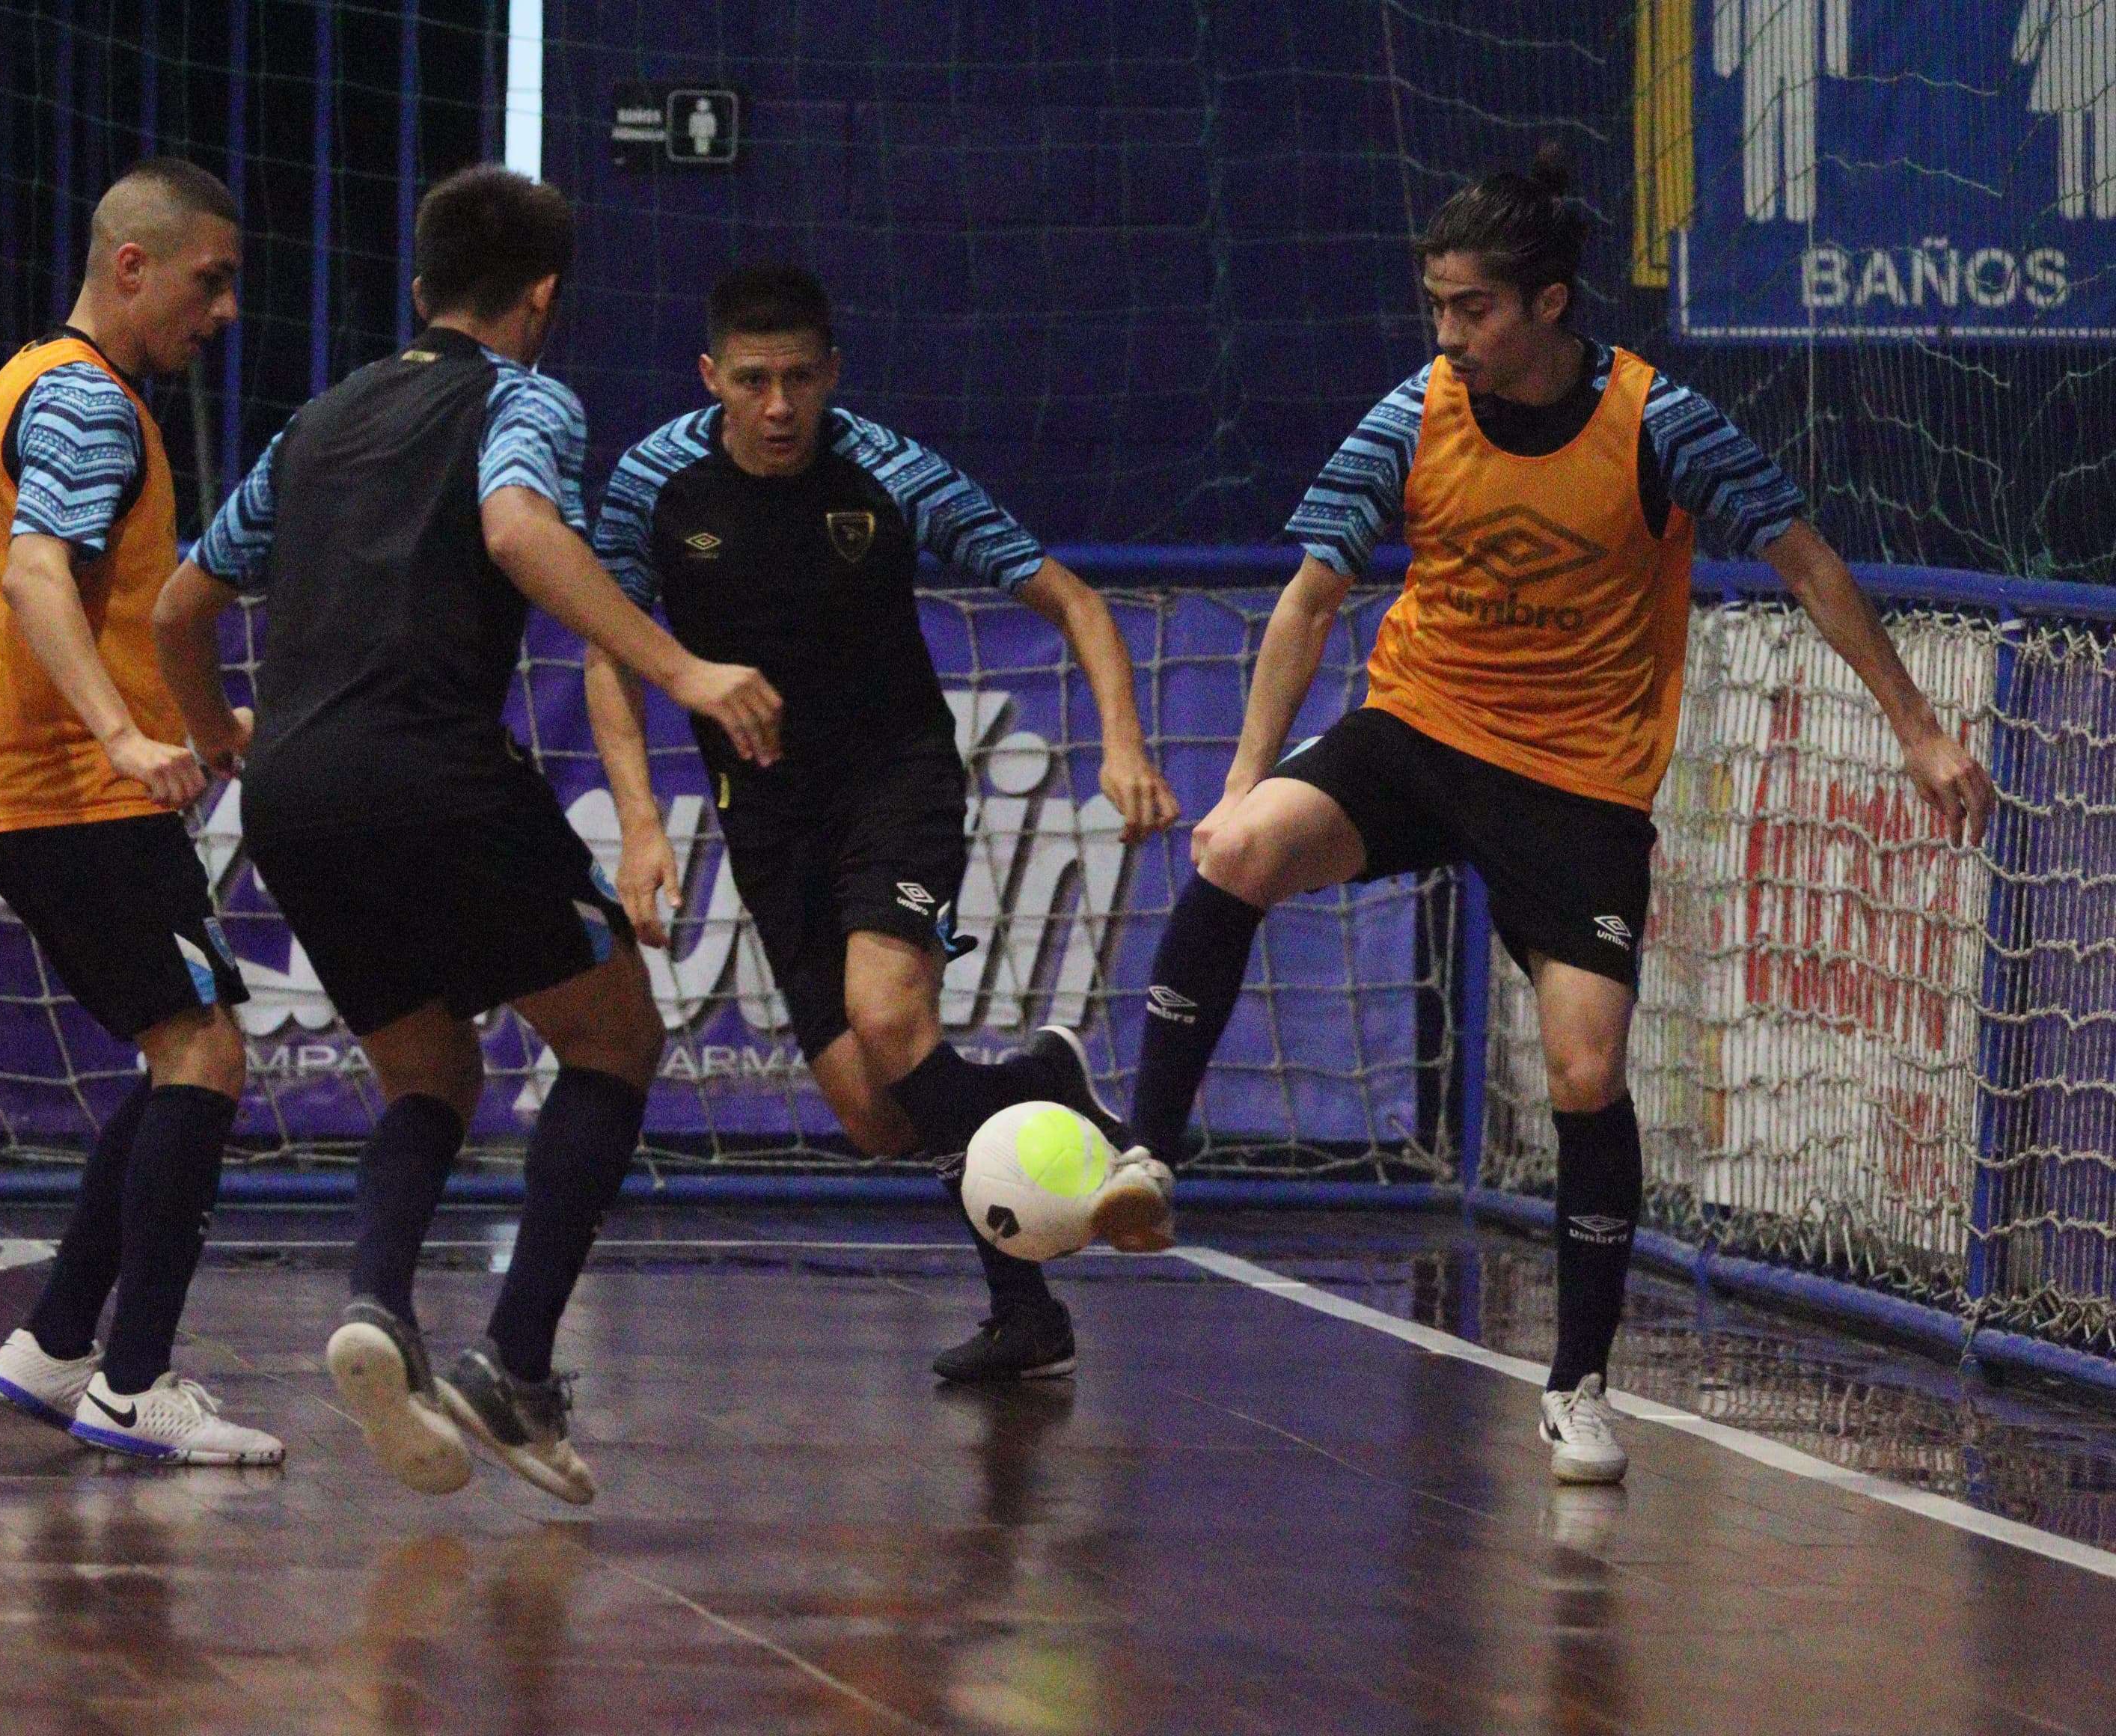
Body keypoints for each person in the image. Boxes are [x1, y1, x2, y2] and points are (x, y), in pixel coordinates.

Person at [1123, 145, 1994, 1484]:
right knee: (1238, 851)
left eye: (1471, 308)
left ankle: (1582, 1385)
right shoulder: (1415, 412)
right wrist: (1244, 776)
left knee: (1588, 1072)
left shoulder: (1660, 424)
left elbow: (1809, 565)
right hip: (1419, 729)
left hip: (1577, 781)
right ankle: (1147, 1156)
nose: (1449, 334)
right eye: (1438, 308)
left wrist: (1921, 731)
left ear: (1548, 304)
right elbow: (1308, 599)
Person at [152, 165, 783, 1505]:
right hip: (432, 770)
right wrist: (683, 672)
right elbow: (513, 525)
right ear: (541, 298)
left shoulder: (315, 424)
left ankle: (378, 1309)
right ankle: (516, 1367)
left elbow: (178, 607)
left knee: (427, 1073)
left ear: (424, 284)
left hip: (296, 796)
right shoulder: (522, 396)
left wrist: (220, 736)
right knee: (617, 1038)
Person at [587, 264, 1181, 1386]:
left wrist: (1123, 744)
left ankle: (1101, 1162)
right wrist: (637, 824)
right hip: (764, 816)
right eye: (752, 381)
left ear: (832, 375)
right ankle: (1038, 1203)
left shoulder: (892, 472)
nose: (777, 408)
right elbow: (609, 652)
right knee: (877, 1114)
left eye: (800, 380)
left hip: (893, 782)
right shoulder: (652, 484)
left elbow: (1075, 601)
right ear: (711, 376)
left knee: (888, 1017)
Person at [0, 158, 280, 1465]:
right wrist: (129, 734)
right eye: (211, 280)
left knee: (179, 1043)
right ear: (131, 267)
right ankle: (136, 1390)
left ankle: (59, 1341)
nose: (226, 309)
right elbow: (29, 573)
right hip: (79, 790)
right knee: (205, 1053)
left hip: (25, 782)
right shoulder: (87, 405)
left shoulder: (24, 382)